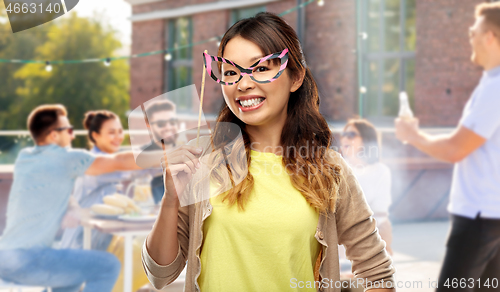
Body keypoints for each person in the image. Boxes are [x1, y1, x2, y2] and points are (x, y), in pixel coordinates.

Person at [142, 12, 395, 292]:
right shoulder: (202, 164)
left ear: (296, 77)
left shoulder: (330, 171)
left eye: (261, 68)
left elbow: (377, 274)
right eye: (230, 72)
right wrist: (171, 199)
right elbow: (160, 274)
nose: (243, 83)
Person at [395, 3, 500, 291]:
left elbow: (456, 148)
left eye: (474, 31)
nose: (470, 35)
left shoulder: (495, 88)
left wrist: (412, 136)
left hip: (479, 218)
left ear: (490, 37)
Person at [0, 104, 156, 292]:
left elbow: (53, 189)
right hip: (29, 259)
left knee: (71, 277)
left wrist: (72, 207)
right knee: (107, 265)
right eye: (68, 130)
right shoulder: (66, 159)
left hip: (6, 257)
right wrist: (166, 153)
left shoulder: (25, 158)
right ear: (53, 135)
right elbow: (118, 161)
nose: (73, 135)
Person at [340, 119, 393, 262]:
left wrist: (383, 246)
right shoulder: (335, 167)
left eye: (351, 134)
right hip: (335, 247)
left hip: (366, 245)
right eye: (344, 134)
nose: (344, 138)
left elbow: (381, 214)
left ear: (366, 139)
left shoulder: (381, 171)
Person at [143, 100, 179, 204]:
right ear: (148, 123)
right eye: (161, 124)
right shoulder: (140, 159)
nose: (168, 127)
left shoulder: (187, 154)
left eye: (172, 122)